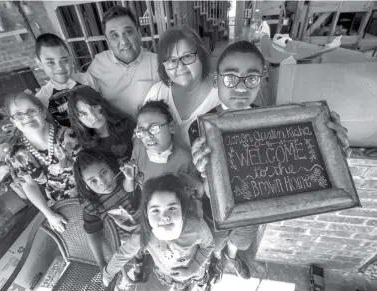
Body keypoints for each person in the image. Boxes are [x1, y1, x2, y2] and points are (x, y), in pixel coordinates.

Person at [190, 41, 352, 283]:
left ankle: (232, 257)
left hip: (254, 207)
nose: (241, 86)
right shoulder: (199, 127)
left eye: (251, 78)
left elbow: (293, 164)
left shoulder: (274, 123)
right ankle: (216, 259)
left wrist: (331, 155)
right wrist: (204, 174)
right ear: (216, 79)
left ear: (262, 79)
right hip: (216, 210)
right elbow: (203, 186)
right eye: (230, 77)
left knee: (241, 240)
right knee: (218, 238)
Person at [102, 174, 214, 291]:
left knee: (200, 279)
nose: (164, 217)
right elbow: (123, 254)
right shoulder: (144, 234)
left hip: (195, 267)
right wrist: (108, 273)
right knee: (177, 285)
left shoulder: (196, 226)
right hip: (167, 272)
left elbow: (208, 245)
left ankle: (202, 284)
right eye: (155, 210)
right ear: (146, 213)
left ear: (183, 208)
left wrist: (192, 269)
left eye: (172, 208)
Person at [4, 92, 80, 232]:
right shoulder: (17, 153)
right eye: (18, 114)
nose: (26, 117)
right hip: (60, 205)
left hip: (88, 194)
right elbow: (29, 186)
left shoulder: (68, 136)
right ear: (13, 121)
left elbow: (87, 170)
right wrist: (49, 214)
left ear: (44, 113)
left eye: (32, 111)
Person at [73, 148, 144, 281]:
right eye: (92, 181)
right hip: (126, 240)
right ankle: (139, 258)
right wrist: (101, 264)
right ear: (86, 186)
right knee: (135, 250)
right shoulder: (91, 204)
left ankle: (140, 257)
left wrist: (131, 177)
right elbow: (92, 232)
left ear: (112, 168)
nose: (102, 181)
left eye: (104, 172)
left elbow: (133, 187)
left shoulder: (127, 176)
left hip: (148, 228)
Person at [143, 26, 220, 147]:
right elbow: (141, 133)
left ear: (201, 56)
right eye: (172, 60)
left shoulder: (222, 94)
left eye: (187, 56)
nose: (180, 66)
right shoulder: (157, 93)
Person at [85, 5, 159, 119]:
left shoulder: (157, 63)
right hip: (116, 133)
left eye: (128, 32)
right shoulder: (98, 65)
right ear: (107, 41)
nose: (124, 42)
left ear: (138, 33)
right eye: (115, 35)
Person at [35, 33, 98, 127]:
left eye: (64, 60)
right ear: (39, 63)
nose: (59, 67)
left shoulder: (87, 79)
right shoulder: (41, 99)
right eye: (51, 62)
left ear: (71, 58)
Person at [131, 100, 197, 184]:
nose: (147, 136)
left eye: (154, 128)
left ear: (171, 127)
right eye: (141, 131)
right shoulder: (138, 147)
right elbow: (129, 188)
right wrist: (129, 178)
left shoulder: (185, 161)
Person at [67, 86, 136, 164]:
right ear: (78, 120)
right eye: (84, 114)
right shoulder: (85, 145)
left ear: (102, 103)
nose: (93, 117)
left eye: (94, 107)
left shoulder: (127, 124)